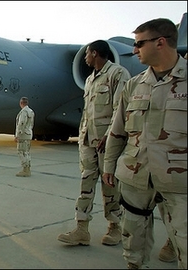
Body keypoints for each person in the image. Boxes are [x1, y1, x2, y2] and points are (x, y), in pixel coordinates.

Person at [102, 18, 187, 269]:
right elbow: (117, 131)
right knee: (133, 237)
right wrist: (109, 166)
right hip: (136, 176)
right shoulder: (134, 84)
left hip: (179, 181)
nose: (134, 50)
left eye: (139, 43)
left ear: (160, 42)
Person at [57, 40, 131, 246]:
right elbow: (88, 113)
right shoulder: (90, 80)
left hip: (108, 142)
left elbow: (121, 109)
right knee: (86, 183)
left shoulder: (118, 74)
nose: (85, 57)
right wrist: (82, 137)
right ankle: (81, 229)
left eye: (88, 53)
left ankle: (115, 227)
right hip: (89, 141)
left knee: (110, 185)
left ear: (95, 53)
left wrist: (111, 136)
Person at [14, 97, 35, 177]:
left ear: (21, 103)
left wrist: (18, 135)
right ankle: (28, 168)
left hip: (23, 134)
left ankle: (25, 169)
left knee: (21, 152)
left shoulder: (24, 112)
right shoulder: (31, 111)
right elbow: (32, 124)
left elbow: (21, 123)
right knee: (26, 152)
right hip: (29, 133)